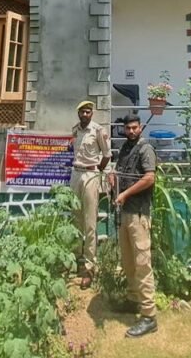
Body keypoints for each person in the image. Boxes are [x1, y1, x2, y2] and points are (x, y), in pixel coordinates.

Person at [108, 113, 158, 338]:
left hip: (138, 214)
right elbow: (120, 171)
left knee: (142, 263)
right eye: (127, 128)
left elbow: (149, 178)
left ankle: (149, 316)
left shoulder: (145, 149)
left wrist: (125, 193)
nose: (130, 131)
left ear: (140, 128)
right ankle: (132, 300)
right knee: (128, 262)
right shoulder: (125, 149)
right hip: (124, 212)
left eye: (134, 128)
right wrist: (113, 178)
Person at [71, 100, 110, 288]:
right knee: (75, 218)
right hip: (75, 174)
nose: (85, 114)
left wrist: (98, 170)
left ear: (92, 114)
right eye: (82, 112)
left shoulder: (98, 130)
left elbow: (107, 155)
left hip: (90, 174)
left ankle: (89, 267)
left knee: (90, 222)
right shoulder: (75, 130)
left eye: (88, 112)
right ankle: (74, 260)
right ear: (78, 113)